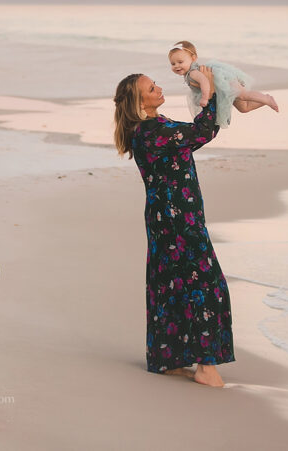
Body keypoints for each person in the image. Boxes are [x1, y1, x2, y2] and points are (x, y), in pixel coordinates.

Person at [113, 70, 233, 387]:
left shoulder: (153, 129)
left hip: (167, 218)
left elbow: (192, 138)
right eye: (152, 88)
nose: (159, 88)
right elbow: (204, 131)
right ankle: (206, 366)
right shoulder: (151, 132)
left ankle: (169, 358)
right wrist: (210, 88)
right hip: (179, 220)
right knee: (207, 283)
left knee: (170, 283)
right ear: (141, 102)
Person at [168, 40, 278, 128]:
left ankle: (266, 99)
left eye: (180, 62)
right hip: (223, 87)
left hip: (225, 81)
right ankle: (267, 100)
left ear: (193, 59)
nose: (176, 66)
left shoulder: (193, 73)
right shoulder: (189, 73)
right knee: (244, 108)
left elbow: (205, 81)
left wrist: (205, 98)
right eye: (173, 63)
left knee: (243, 95)